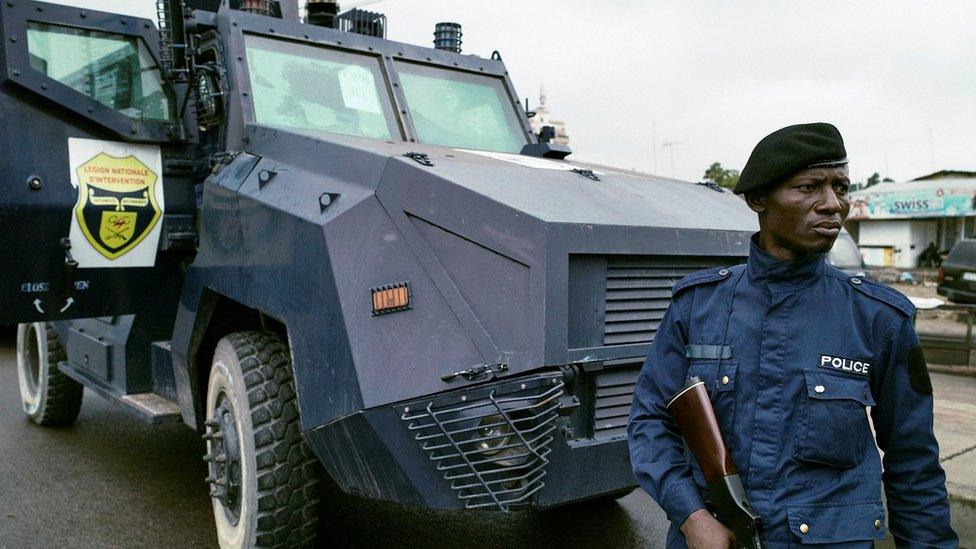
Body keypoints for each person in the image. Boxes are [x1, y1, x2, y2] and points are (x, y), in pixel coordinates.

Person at [628, 123, 958, 548]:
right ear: (758, 199)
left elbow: (914, 463)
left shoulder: (879, 318)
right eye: (809, 187)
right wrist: (691, 516)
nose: (832, 204)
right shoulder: (697, 306)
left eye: (841, 187)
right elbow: (650, 418)